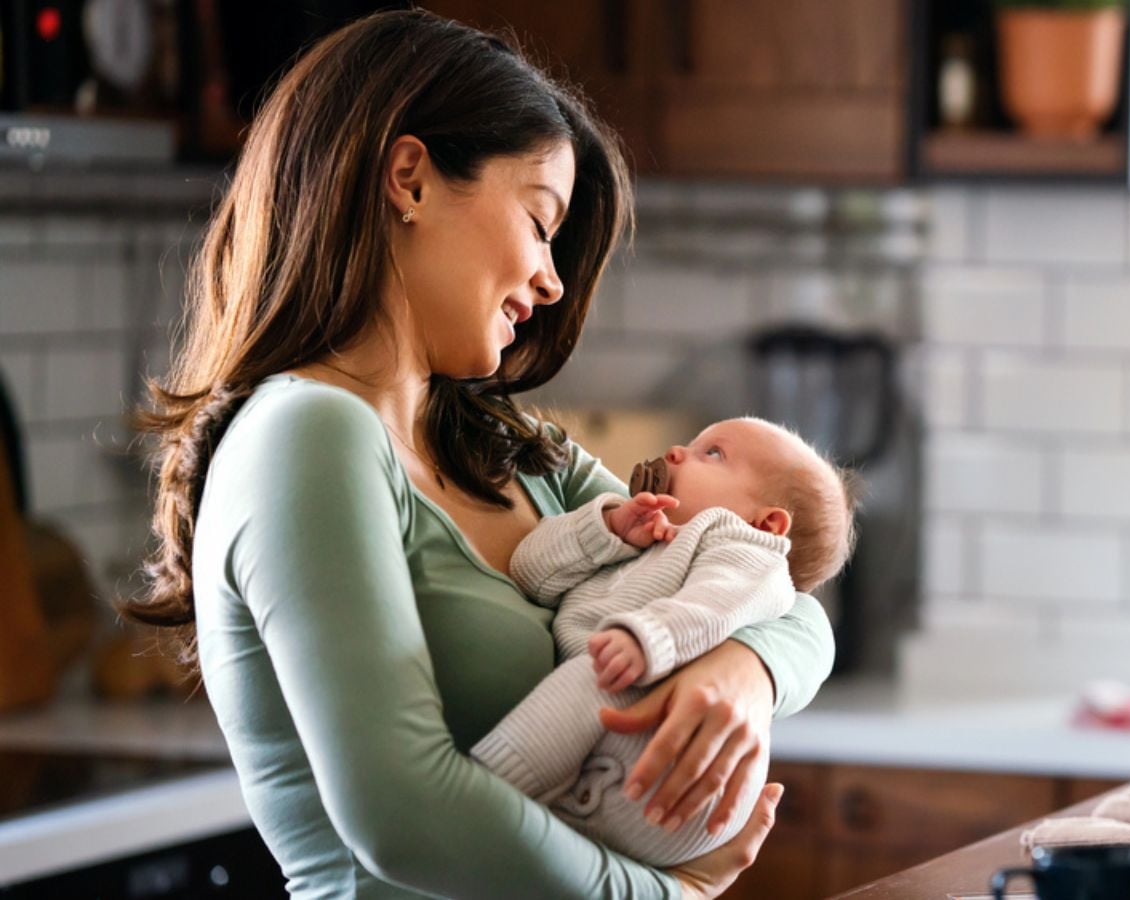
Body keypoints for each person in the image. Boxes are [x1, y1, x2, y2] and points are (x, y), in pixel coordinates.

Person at [118, 10, 834, 899]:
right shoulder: (308, 435)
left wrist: (747, 671)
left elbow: (787, 596)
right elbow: (406, 819)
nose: (553, 279)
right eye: (541, 222)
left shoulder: (527, 459)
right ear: (409, 178)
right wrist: (669, 894)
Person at [472, 417, 858, 867]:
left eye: (713, 453)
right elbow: (529, 573)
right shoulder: (640, 534)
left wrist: (650, 638)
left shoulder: (741, 549)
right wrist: (608, 529)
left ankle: (485, 790)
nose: (676, 452)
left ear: (767, 524)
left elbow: (717, 601)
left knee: (595, 676)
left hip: (671, 762)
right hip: (609, 765)